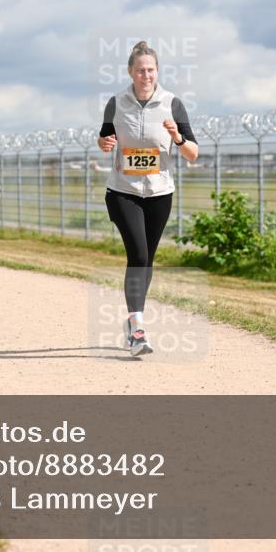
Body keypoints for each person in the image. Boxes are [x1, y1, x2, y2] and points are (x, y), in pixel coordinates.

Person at [98, 40, 199, 356]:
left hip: (159, 193)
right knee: (138, 254)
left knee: (146, 259)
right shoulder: (116, 103)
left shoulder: (173, 104)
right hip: (123, 192)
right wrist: (104, 143)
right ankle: (137, 328)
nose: (146, 75)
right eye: (140, 70)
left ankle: (133, 319)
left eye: (151, 70)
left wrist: (177, 138)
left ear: (158, 72)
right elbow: (105, 138)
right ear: (130, 72)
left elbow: (193, 154)